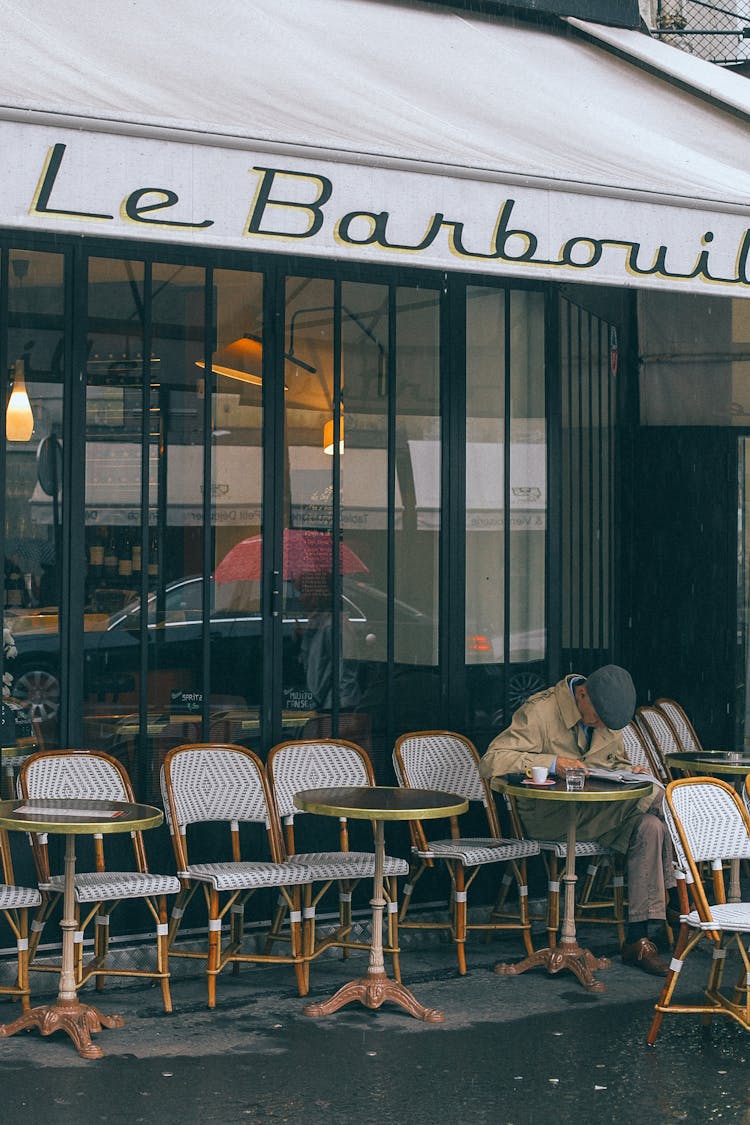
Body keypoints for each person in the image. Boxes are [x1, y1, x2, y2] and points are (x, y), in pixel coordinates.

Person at [479, 665, 680, 976]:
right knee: (661, 798)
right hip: (552, 815)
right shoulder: (540, 711)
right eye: (597, 717)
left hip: (599, 812)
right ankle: (682, 899)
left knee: (651, 827)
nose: (600, 724)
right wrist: (554, 763)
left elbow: (615, 761)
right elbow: (492, 760)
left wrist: (631, 771)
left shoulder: (604, 713)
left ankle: (639, 939)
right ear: (582, 694)